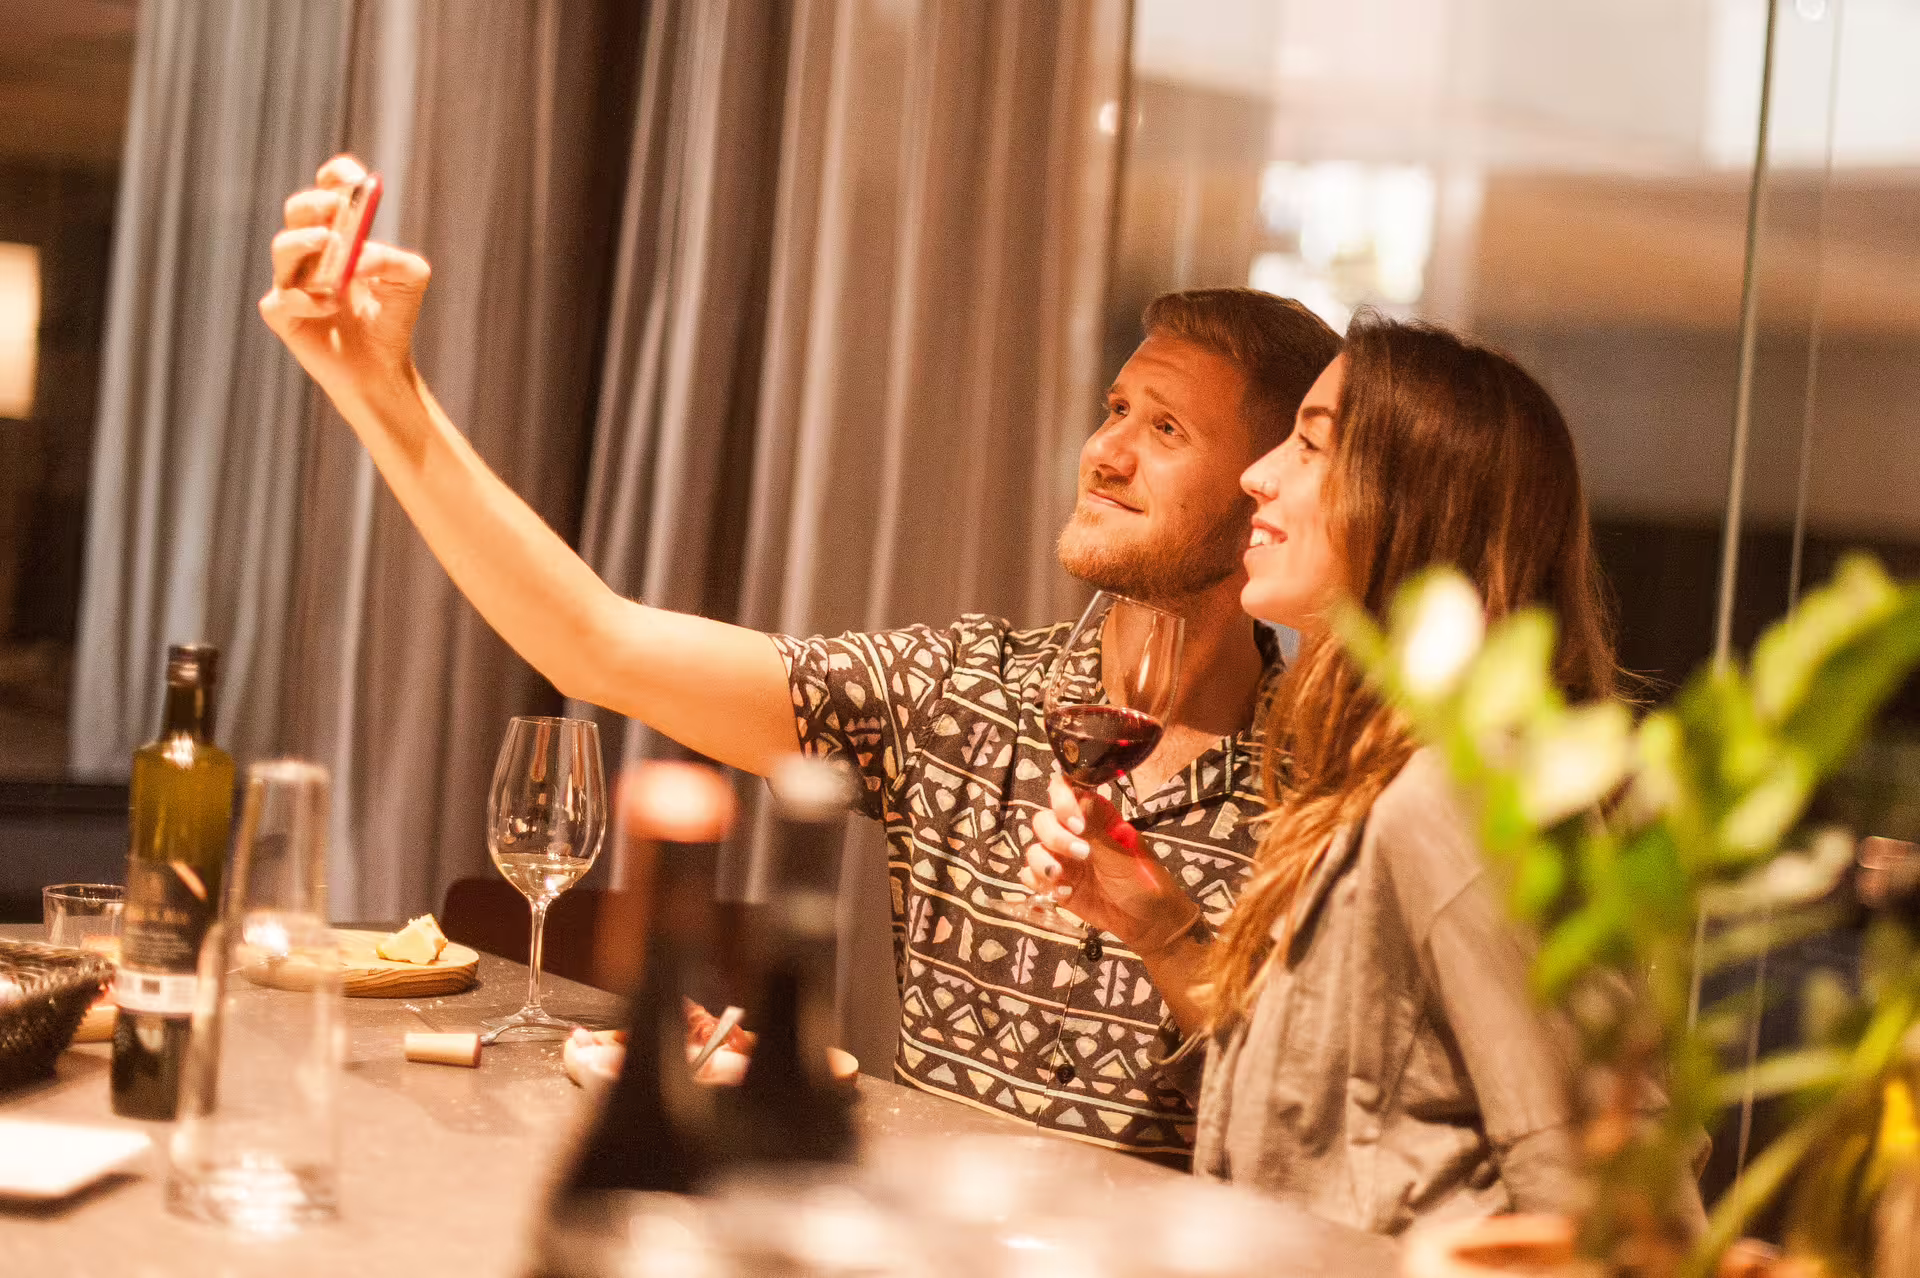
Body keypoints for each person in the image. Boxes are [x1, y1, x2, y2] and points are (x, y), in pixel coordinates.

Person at [260, 155, 1341, 1163]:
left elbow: (1319, 1099)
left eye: (1164, 430)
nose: (1103, 452)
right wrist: (379, 388)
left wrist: (1169, 932)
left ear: (1264, 482)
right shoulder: (958, 694)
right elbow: (595, 643)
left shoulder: (1326, 776)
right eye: (1113, 409)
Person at [1024, 313, 1684, 1230]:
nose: (1260, 473)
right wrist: (1164, 927)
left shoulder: (1464, 789)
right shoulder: (1370, 774)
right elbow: (1346, 1104)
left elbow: (1612, 1191)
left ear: (1412, 501)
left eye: (1308, 444)